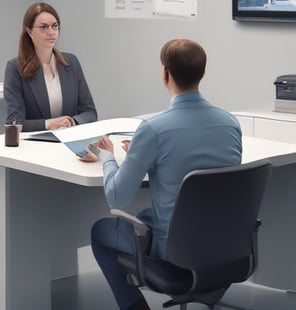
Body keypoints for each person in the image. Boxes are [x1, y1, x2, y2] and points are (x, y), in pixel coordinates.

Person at [82, 39, 243, 310]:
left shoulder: (153, 129)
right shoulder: (230, 124)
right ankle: (211, 289)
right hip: (223, 245)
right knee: (146, 215)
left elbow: (116, 196)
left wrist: (107, 157)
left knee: (101, 231)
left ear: (165, 73)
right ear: (202, 73)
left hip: (174, 251)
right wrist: (143, 152)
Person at [3, 2, 97, 132]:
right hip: (35, 145)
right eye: (43, 27)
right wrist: (48, 124)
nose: (51, 32)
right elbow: (14, 122)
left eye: (55, 26)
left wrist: (72, 121)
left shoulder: (71, 62)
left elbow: (90, 113)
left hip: (69, 140)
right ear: (29, 32)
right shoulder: (15, 68)